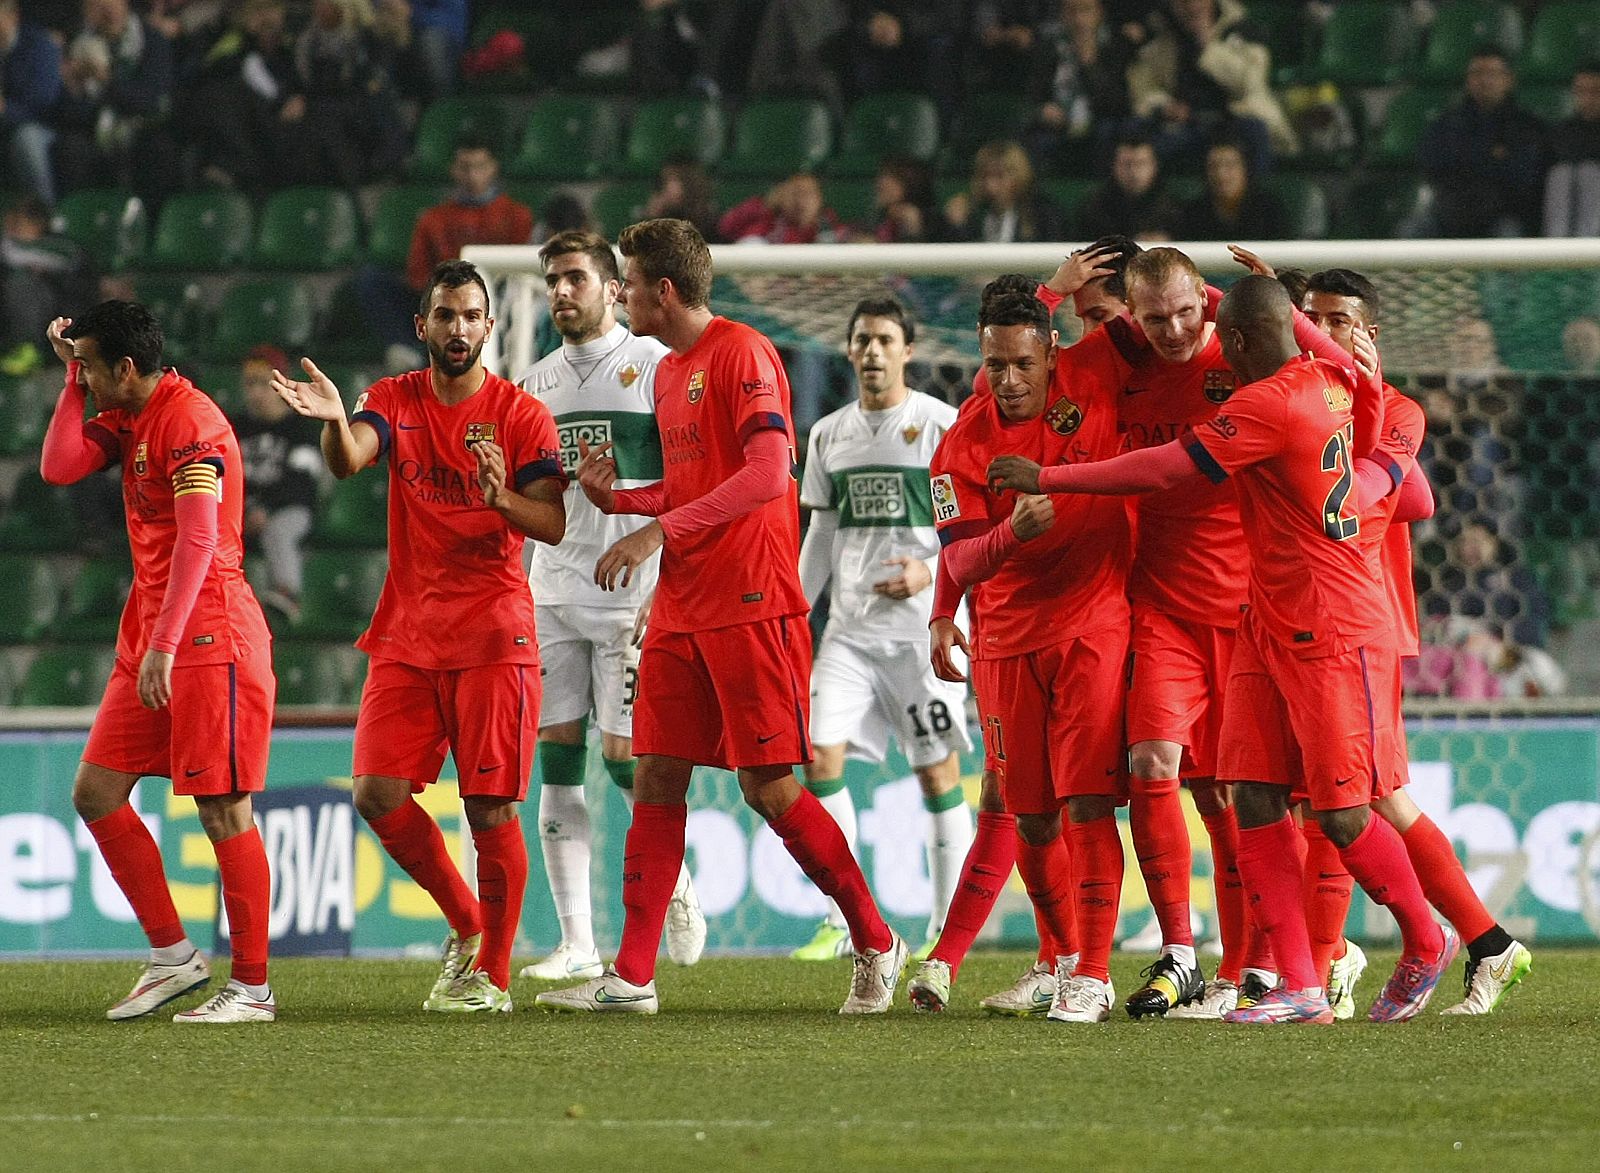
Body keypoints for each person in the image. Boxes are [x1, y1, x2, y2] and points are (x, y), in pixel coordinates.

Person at [989, 274, 1459, 1025]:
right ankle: (1297, 987)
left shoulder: (1265, 403)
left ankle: (1427, 938)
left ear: (1233, 344)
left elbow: (1167, 468)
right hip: (1264, 622)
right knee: (1254, 795)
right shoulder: (1331, 379)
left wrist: (1049, 473)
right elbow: (1332, 374)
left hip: (1329, 627)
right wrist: (1230, 294)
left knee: (1342, 814)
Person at [537, 218, 907, 1015]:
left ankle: (876, 938)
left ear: (661, 291)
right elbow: (689, 482)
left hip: (749, 605)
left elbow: (770, 472)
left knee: (769, 789)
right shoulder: (668, 375)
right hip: (679, 608)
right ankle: (633, 975)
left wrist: (653, 531)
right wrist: (623, 501)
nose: (621, 294)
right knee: (656, 773)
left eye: (628, 282)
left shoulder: (743, 354)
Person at [272, 260, 568, 1013]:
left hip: (495, 635)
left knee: (491, 808)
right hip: (408, 633)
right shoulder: (395, 400)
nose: (459, 328)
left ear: (489, 326)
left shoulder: (520, 414)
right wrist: (337, 421)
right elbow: (349, 462)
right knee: (375, 792)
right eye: (446, 316)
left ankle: (494, 975)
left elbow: (555, 524)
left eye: (472, 316)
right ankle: (467, 924)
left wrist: (502, 497)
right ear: (423, 326)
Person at [1293, 265, 1533, 1017]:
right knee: (1332, 798)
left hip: (1362, 625)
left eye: (1338, 320)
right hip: (1308, 623)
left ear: (1369, 334)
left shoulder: (1387, 408)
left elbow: (1415, 496)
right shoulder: (1306, 400)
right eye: (1311, 318)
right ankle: (1342, 954)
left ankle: (1476, 939)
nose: (1322, 333)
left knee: (1370, 797)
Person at [40, 301, 278, 1023]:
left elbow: (201, 542)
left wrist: (167, 644)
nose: (79, 372)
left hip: (207, 636)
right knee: (96, 791)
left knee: (223, 807)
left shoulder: (190, 421)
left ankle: (254, 988)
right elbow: (58, 467)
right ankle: (174, 957)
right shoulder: (126, 413)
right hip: (149, 635)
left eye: (87, 365)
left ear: (127, 368)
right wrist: (71, 384)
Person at [908, 288, 1131, 1023]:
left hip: (1092, 621)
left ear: (1052, 355)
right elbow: (961, 556)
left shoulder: (1092, 382)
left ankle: (1095, 973)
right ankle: (1064, 957)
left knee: (1088, 801)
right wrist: (1009, 540)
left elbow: (1164, 309)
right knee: (1030, 817)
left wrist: (1057, 287)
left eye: (1023, 363)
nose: (1008, 380)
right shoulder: (959, 448)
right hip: (1004, 643)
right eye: (995, 364)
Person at [517, 230, 706, 983]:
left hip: (632, 594)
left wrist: (667, 578)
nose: (561, 291)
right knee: (557, 760)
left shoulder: (657, 369)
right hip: (555, 589)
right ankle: (576, 942)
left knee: (629, 761)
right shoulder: (534, 386)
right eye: (552, 281)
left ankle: (680, 884)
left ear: (611, 287)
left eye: (575, 278)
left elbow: (690, 484)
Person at [790, 295, 972, 963]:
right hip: (849, 630)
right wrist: (790, 611)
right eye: (862, 339)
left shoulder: (940, 426)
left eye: (884, 340)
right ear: (849, 350)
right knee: (818, 758)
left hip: (922, 632)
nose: (871, 351)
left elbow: (966, 526)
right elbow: (822, 533)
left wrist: (930, 575)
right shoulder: (830, 434)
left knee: (936, 774)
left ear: (908, 351)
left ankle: (946, 928)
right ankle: (846, 919)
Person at [357, 135, 534, 368]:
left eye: (479, 167)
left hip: (497, 298)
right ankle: (405, 348)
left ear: (493, 168)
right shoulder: (433, 218)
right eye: (464, 167)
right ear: (453, 170)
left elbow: (520, 272)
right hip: (441, 295)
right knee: (371, 279)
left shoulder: (517, 215)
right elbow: (417, 275)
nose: (472, 175)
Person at [1124, 0, 1294, 176]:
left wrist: (1208, 47)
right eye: (1182, 3)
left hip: (1233, 119)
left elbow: (1249, 84)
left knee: (1254, 130)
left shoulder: (1242, 28)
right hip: (1185, 125)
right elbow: (1143, 88)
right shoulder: (1160, 35)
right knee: (1133, 133)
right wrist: (1165, 106)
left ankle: (1256, 200)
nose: (1190, 6)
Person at [52, 0, 181, 203]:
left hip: (143, 128)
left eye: (114, 6)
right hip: (95, 131)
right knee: (69, 148)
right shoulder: (78, 45)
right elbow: (66, 112)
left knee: (159, 150)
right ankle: (79, 223)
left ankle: (150, 227)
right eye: (100, 8)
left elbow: (148, 100)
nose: (110, 14)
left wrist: (105, 80)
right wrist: (73, 86)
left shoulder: (152, 41)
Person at [231, 344, 321, 621]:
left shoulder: (301, 429)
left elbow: (302, 483)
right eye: (250, 384)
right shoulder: (234, 428)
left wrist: (266, 508)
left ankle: (286, 593)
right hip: (242, 510)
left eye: (264, 384)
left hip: (288, 508)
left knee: (278, 531)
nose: (256, 393)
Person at [1417, 45, 1546, 238]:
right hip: (1450, 212)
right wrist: (1492, 157)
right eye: (1477, 73)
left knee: (1508, 235)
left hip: (1503, 215)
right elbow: (1433, 164)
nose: (1484, 81)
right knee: (1413, 229)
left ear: (1508, 79)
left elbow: (1522, 176)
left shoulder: (1527, 126)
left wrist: (1468, 157)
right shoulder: (1447, 123)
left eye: (1492, 73)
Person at [0, 0, 64, 207]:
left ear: (12, 15)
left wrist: (6, 109)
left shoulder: (39, 45)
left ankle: (43, 217)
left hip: (42, 127)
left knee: (25, 140)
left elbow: (44, 103)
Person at [943, 141, 1064, 244]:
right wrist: (958, 226)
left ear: (1019, 176)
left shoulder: (1042, 215)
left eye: (999, 176)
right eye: (984, 176)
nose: (990, 185)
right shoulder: (972, 213)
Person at [1076, 137, 1183, 242]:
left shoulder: (1173, 207)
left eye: (1141, 164)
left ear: (1154, 166)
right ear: (1114, 166)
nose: (1133, 172)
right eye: (1126, 164)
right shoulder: (1095, 207)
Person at [1178, 138, 1287, 240]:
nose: (1221, 174)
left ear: (1246, 170)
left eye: (1230, 165)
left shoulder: (1269, 211)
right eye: (1214, 166)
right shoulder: (1194, 214)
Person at [1544, 61, 1600, 237]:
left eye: (1595, 92)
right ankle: (1557, 246)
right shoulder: (1561, 132)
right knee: (1561, 174)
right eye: (1581, 91)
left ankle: (1588, 245)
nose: (1587, 98)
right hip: (1566, 213)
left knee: (1589, 173)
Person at [717, 173, 845, 245]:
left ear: (819, 199)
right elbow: (726, 227)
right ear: (782, 195)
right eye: (795, 193)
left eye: (808, 194)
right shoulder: (769, 219)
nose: (801, 201)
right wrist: (765, 203)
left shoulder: (826, 223)